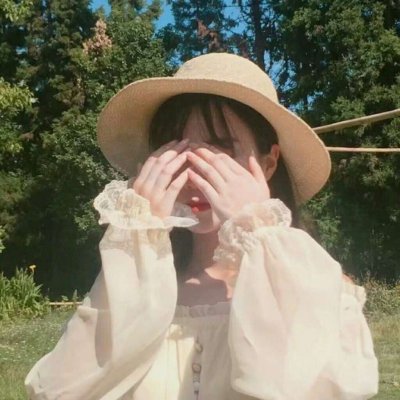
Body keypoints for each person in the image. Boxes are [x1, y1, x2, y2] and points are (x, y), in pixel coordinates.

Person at [25, 53, 379, 400]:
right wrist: (137, 237)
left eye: (220, 149)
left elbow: (312, 387)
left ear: (268, 164)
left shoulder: (318, 287)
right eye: (176, 150)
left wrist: (259, 229)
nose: (195, 173)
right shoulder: (134, 282)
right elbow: (63, 390)